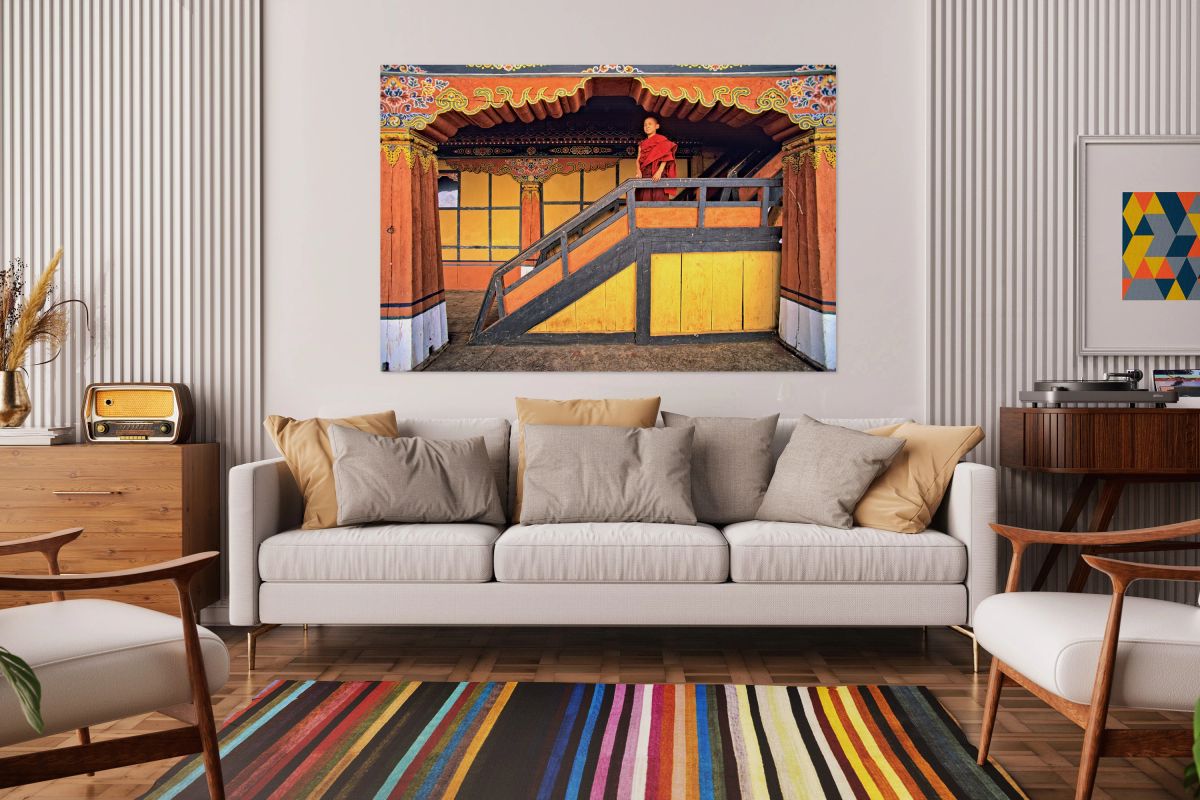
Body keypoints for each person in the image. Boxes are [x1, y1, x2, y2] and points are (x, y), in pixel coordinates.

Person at [635, 116, 677, 201]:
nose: (647, 126)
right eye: (645, 125)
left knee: (659, 201)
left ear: (657, 126)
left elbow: (666, 157)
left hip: (658, 176)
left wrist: (659, 172)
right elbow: (638, 159)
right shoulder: (642, 144)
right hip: (645, 175)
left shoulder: (662, 140)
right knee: (644, 201)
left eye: (650, 124)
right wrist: (638, 170)